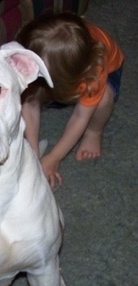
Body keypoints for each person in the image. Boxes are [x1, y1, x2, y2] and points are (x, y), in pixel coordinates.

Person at [17, 12, 124, 188]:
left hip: (104, 71)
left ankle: (94, 132)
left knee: (103, 99)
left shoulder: (92, 71)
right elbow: (29, 104)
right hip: (63, 72)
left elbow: (80, 116)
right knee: (28, 95)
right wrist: (33, 154)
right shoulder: (31, 54)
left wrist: (54, 158)